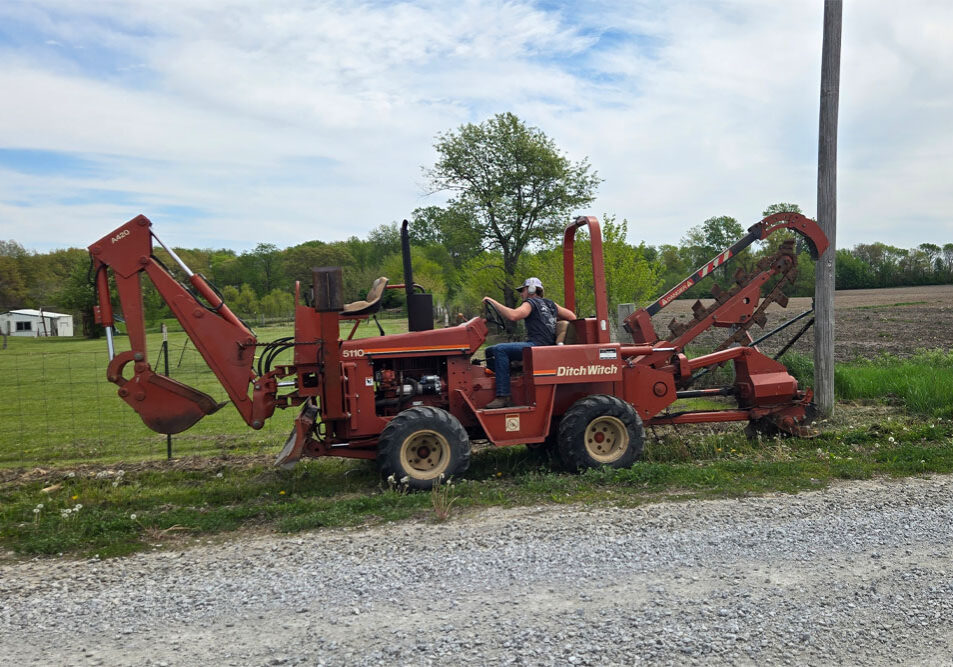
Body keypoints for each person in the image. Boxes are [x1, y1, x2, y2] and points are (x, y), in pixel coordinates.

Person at [482, 277, 576, 409]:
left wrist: (492, 301)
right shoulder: (551, 304)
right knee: (489, 351)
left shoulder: (530, 303)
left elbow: (513, 316)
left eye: (523, 290)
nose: (521, 294)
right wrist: (550, 317)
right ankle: (512, 375)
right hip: (545, 345)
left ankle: (504, 396)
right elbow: (572, 316)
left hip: (537, 346)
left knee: (500, 350)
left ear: (531, 289)